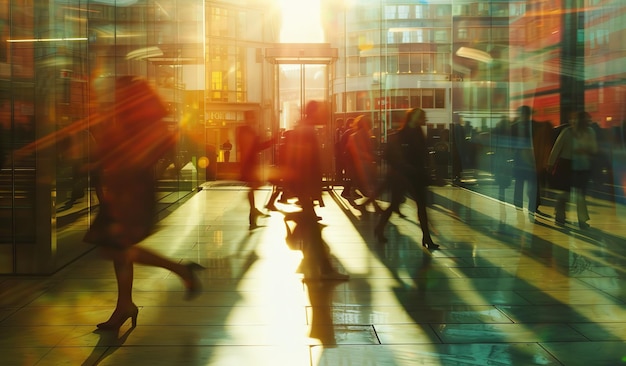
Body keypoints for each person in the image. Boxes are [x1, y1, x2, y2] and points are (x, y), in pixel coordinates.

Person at [84, 76, 204, 331]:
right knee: (116, 250)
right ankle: (124, 304)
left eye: (121, 92)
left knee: (116, 249)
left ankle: (179, 271)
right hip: (124, 192)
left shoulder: (146, 123)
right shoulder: (131, 120)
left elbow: (155, 148)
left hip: (133, 193)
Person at [282, 101, 348, 280]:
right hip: (305, 185)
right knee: (313, 230)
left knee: (313, 230)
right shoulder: (307, 131)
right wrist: (313, 188)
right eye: (323, 112)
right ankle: (326, 270)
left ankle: (322, 269)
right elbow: (307, 163)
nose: (325, 116)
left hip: (302, 186)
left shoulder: (302, 128)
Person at [374, 108, 439, 249]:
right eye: (421, 116)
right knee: (401, 205)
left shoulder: (414, 132)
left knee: (414, 206)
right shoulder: (405, 134)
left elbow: (422, 153)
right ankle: (426, 238)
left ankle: (426, 237)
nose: (424, 119)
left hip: (411, 174)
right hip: (405, 175)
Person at [547, 111, 598, 228]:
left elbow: (557, 148)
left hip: (573, 165)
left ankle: (562, 216)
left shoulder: (575, 132)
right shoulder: (580, 132)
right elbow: (594, 149)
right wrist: (550, 163)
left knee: (569, 194)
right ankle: (578, 219)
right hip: (575, 166)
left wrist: (550, 163)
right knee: (573, 194)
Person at [510, 105, 553, 215]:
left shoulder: (517, 126)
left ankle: (525, 204)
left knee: (526, 183)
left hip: (528, 158)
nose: (524, 116)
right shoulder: (529, 126)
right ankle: (529, 205)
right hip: (524, 158)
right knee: (530, 183)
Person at [236, 111, 273, 229]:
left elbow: (255, 147)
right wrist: (271, 142)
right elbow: (256, 147)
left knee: (254, 186)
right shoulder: (247, 131)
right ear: (249, 118)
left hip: (248, 164)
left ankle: (253, 211)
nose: (255, 119)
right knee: (253, 186)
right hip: (249, 164)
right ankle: (253, 213)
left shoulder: (245, 130)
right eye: (253, 116)